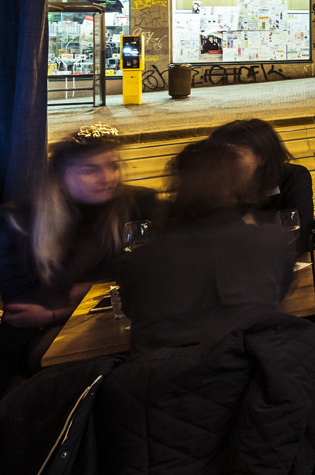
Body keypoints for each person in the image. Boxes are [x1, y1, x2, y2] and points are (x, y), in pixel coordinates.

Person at [0, 125, 160, 411]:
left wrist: (68, 303)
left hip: (124, 324)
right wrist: (100, 291)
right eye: (90, 170)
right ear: (61, 176)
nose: (107, 178)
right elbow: (25, 307)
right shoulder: (16, 221)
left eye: (112, 166)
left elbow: (150, 277)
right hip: (40, 336)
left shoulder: (139, 206)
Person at [117, 138, 295, 352]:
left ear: (180, 189)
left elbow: (131, 310)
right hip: (252, 366)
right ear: (241, 188)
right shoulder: (271, 242)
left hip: (166, 371)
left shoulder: (142, 260)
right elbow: (276, 294)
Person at [208, 118, 313, 235]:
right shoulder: (217, 186)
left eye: (233, 155)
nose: (223, 162)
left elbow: (298, 237)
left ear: (262, 157)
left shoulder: (291, 178)